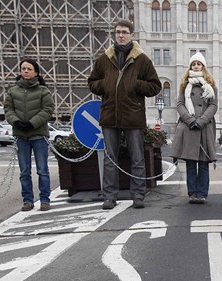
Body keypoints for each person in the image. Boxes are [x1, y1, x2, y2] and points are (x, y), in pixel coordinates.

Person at [88, 19, 161, 209]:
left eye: (124, 32)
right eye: (117, 32)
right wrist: (104, 85)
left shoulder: (142, 59)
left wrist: (136, 84)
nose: (120, 35)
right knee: (110, 159)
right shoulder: (104, 58)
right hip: (110, 115)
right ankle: (110, 197)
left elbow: (155, 86)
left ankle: (138, 195)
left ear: (132, 35)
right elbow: (92, 82)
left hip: (133, 115)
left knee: (137, 158)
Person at [4, 58, 55, 211]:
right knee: (24, 171)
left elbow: (47, 109)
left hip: (38, 135)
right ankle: (28, 200)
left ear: (36, 72)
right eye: (23, 69)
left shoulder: (43, 91)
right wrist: (16, 122)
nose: (26, 71)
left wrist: (32, 123)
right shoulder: (13, 91)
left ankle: (45, 200)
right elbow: (8, 109)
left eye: (29, 69)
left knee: (42, 170)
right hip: (21, 136)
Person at [171, 53, 218, 204]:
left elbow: (213, 105)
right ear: (190, 67)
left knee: (203, 163)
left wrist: (202, 120)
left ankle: (202, 193)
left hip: (204, 128)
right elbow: (179, 104)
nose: (196, 66)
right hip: (189, 127)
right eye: (193, 64)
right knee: (191, 163)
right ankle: (192, 193)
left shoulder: (211, 86)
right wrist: (190, 120)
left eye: (199, 64)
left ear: (204, 67)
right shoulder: (185, 85)